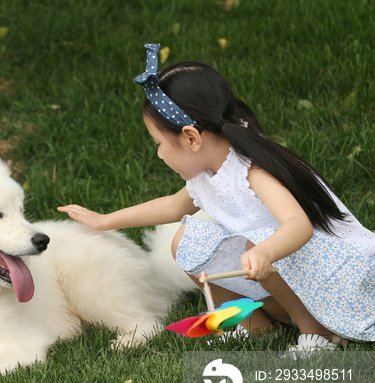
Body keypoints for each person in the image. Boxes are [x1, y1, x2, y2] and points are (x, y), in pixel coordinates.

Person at [58, 43, 375, 354]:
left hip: (341, 285)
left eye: (158, 143)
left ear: (192, 138)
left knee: (255, 241)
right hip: (288, 285)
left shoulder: (253, 170)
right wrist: (104, 221)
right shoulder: (208, 174)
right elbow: (171, 206)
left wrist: (264, 250)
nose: (158, 154)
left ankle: (317, 332)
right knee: (184, 241)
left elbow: (298, 225)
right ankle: (253, 324)